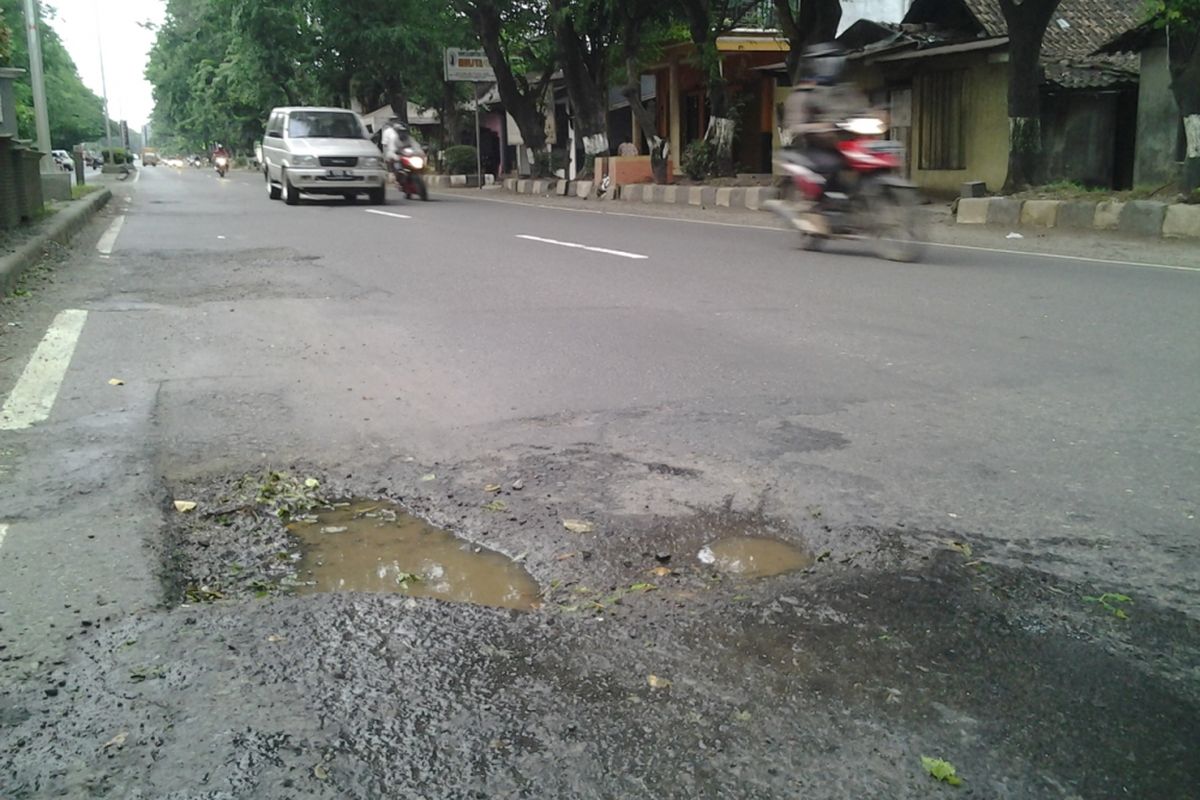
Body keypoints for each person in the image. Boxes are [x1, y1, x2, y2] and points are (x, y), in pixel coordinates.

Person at [782, 43, 871, 197]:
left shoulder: (846, 90)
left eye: (834, 60)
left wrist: (876, 115)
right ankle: (823, 204)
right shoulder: (804, 93)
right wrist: (820, 127)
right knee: (831, 166)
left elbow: (863, 109)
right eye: (824, 61)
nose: (830, 65)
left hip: (849, 144)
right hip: (815, 148)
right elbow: (795, 125)